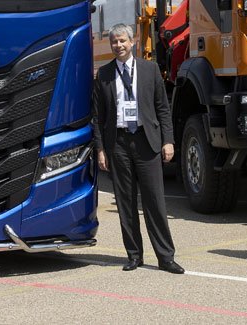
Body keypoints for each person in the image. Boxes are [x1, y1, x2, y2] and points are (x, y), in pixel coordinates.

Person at [92, 24, 183, 275]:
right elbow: (98, 116)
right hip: (118, 143)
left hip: (147, 141)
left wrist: (168, 141)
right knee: (125, 203)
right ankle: (134, 255)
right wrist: (100, 149)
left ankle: (166, 257)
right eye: (114, 42)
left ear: (132, 42)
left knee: (154, 201)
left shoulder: (150, 69)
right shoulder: (105, 74)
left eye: (122, 41)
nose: (118, 45)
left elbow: (163, 108)